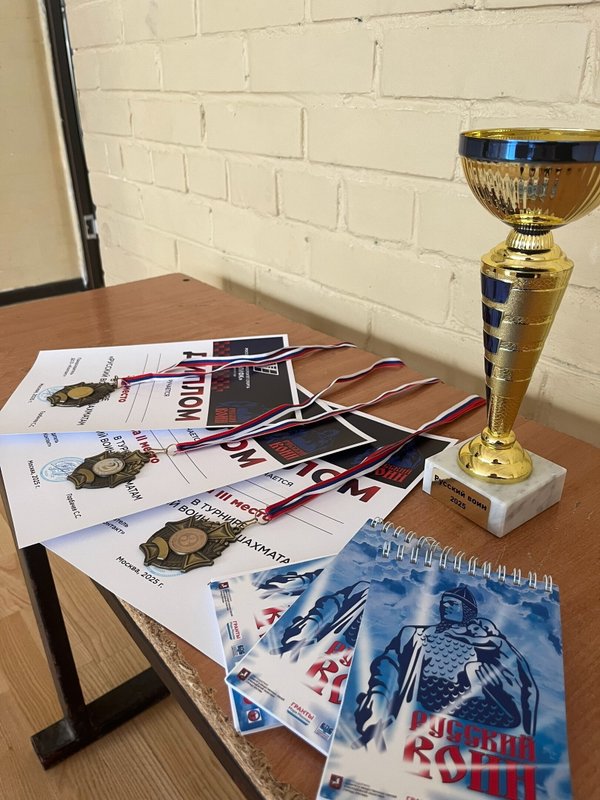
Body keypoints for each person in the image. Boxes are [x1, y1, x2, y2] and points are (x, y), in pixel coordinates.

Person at [354, 584, 538, 748]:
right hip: (415, 707)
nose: (445, 606)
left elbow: (525, 684)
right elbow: (388, 663)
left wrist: (527, 730)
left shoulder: (491, 644)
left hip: (471, 717)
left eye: (453, 603)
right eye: (444, 602)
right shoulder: (414, 634)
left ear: (467, 611)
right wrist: (379, 694)